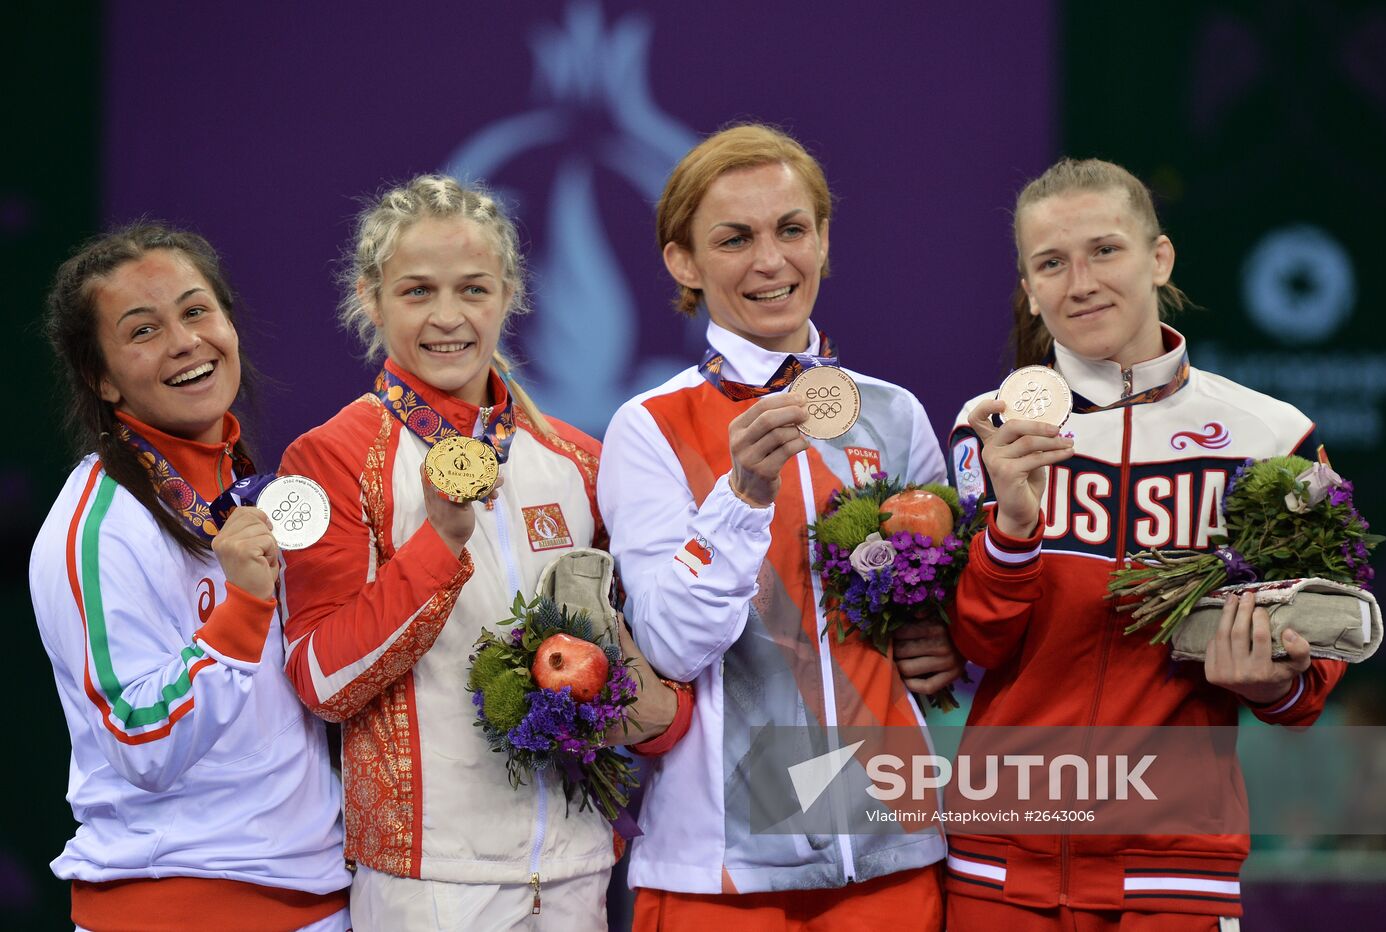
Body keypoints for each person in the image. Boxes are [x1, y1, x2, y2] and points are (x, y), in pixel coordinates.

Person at [944, 157, 1346, 930]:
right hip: (999, 869)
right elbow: (977, 645)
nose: (1080, 281)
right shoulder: (990, 428)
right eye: (1051, 263)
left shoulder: (1270, 437)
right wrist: (1016, 529)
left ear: (1158, 258)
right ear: (1029, 287)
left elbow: (1309, 686)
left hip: (1173, 875)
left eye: (1105, 250)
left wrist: (1270, 682)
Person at [278, 175, 683, 931]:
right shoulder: (332, 458)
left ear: (510, 294)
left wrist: (660, 713)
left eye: (472, 289)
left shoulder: (578, 460)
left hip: (577, 871)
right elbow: (322, 678)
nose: (447, 317)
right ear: (370, 301)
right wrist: (438, 545)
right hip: (429, 883)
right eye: (416, 291)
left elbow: (642, 643)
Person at [597, 124, 960, 931]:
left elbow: (941, 617)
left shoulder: (893, 413)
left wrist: (947, 638)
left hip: (889, 859)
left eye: (792, 230)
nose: (771, 261)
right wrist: (744, 494)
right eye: (735, 239)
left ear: (824, 241)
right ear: (682, 262)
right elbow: (666, 646)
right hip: (720, 874)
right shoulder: (648, 427)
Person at [29, 224, 352, 931]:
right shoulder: (99, 528)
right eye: (143, 330)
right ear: (102, 377)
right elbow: (142, 743)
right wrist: (239, 609)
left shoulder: (241, 492)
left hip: (316, 899)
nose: (183, 341)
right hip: (179, 909)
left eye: (196, 310)